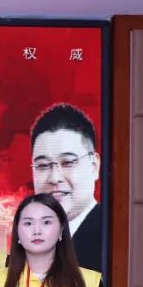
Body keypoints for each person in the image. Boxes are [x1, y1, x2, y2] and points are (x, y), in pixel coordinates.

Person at [30, 103, 104, 272]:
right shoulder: (24, 243)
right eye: (43, 165)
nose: (54, 178)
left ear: (94, 166)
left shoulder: (113, 238)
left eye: (68, 162)